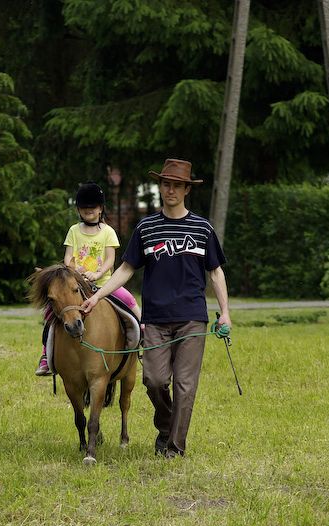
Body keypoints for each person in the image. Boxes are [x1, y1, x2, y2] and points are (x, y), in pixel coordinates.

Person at [80, 158, 231, 458]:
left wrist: (225, 312)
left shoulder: (203, 228)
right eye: (166, 184)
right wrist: (97, 297)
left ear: (187, 189)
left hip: (192, 319)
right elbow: (125, 269)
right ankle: (166, 427)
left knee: (185, 387)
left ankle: (173, 448)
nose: (170, 190)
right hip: (156, 320)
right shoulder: (146, 227)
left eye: (176, 185)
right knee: (155, 380)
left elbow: (215, 272)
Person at [35, 182, 142, 376]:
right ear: (78, 209)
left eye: (92, 208)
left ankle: (142, 334)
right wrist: (74, 270)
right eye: (84, 208)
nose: (88, 212)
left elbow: (111, 259)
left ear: (100, 208)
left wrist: (98, 273)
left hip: (104, 284)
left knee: (129, 300)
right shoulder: (74, 231)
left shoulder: (108, 232)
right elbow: (68, 257)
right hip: (76, 283)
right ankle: (45, 355)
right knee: (50, 314)